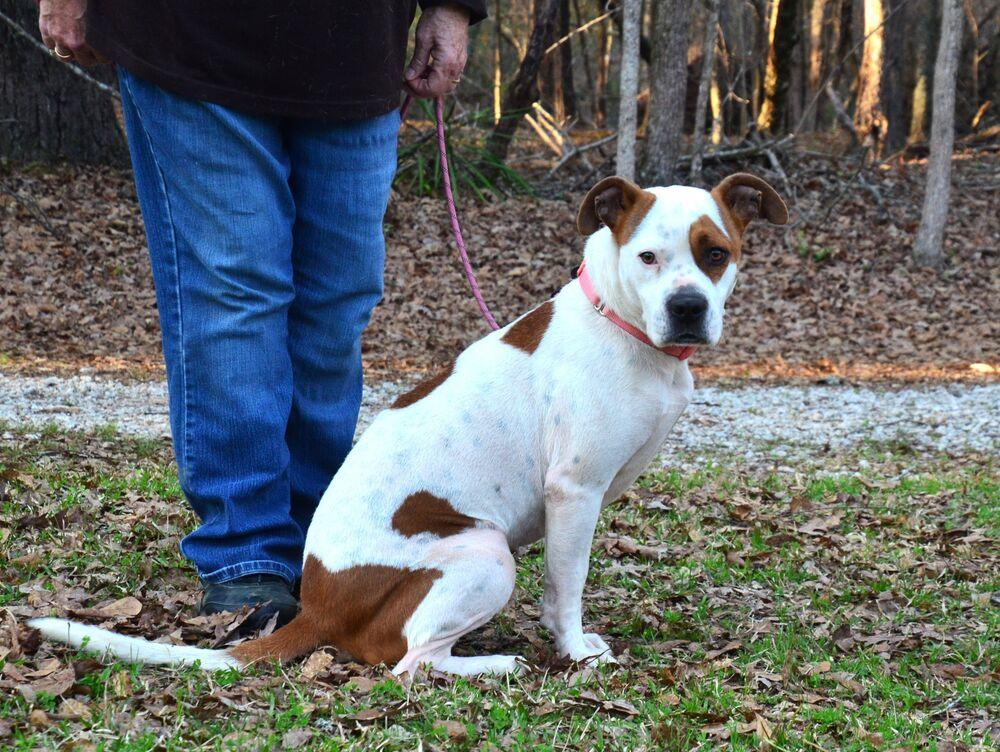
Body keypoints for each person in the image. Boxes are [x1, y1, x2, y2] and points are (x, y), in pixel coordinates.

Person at [37, 0, 486, 631]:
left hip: (357, 49)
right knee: (234, 291)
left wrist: (453, 8)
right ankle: (246, 550)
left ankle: (319, 541)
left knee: (338, 298)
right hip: (187, 37)